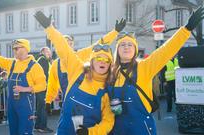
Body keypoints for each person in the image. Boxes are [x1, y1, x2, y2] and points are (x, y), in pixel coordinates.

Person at [107, 6, 204, 135]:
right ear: (117, 50)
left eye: (130, 44)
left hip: (141, 128)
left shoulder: (144, 67)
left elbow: (165, 50)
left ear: (135, 50)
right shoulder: (111, 73)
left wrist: (186, 29)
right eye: (122, 45)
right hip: (117, 129)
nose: (126, 47)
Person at [34, 11, 125, 135]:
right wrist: (50, 29)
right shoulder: (71, 66)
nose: (102, 62)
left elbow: (108, 121)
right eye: (98, 58)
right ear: (92, 61)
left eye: (106, 60)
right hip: (64, 124)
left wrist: (115, 32)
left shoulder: (107, 87)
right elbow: (53, 81)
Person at [46, 23, 124, 113]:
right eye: (65, 43)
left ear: (72, 45)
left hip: (84, 101)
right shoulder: (55, 64)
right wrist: (48, 101)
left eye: (70, 43)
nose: (68, 46)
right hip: (67, 103)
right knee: (67, 125)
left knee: (84, 125)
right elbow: (52, 83)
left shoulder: (81, 55)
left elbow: (98, 45)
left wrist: (115, 32)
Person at [0, 32, 46, 135]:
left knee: (25, 132)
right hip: (12, 105)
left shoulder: (35, 66)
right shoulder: (12, 62)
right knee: (13, 132)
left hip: (26, 106)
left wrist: (24, 89)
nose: (14, 50)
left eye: (17, 48)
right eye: (13, 48)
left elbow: (43, 86)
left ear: (25, 49)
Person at [34, 47, 53, 133]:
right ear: (42, 52)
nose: (49, 53)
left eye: (50, 51)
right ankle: (42, 126)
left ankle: (38, 126)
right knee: (44, 106)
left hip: (40, 87)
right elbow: (46, 74)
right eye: (47, 51)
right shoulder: (43, 60)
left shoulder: (42, 60)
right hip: (43, 87)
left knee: (40, 107)